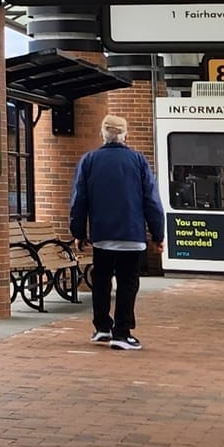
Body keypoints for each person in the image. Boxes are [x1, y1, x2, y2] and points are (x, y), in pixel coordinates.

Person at [70, 113, 166, 352]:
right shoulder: (138, 161)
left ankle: (102, 326)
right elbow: (151, 200)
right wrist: (158, 234)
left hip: (102, 234)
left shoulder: (89, 160)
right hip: (132, 235)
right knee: (127, 282)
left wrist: (78, 231)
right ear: (125, 135)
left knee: (101, 280)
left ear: (102, 134)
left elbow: (79, 199)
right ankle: (122, 333)